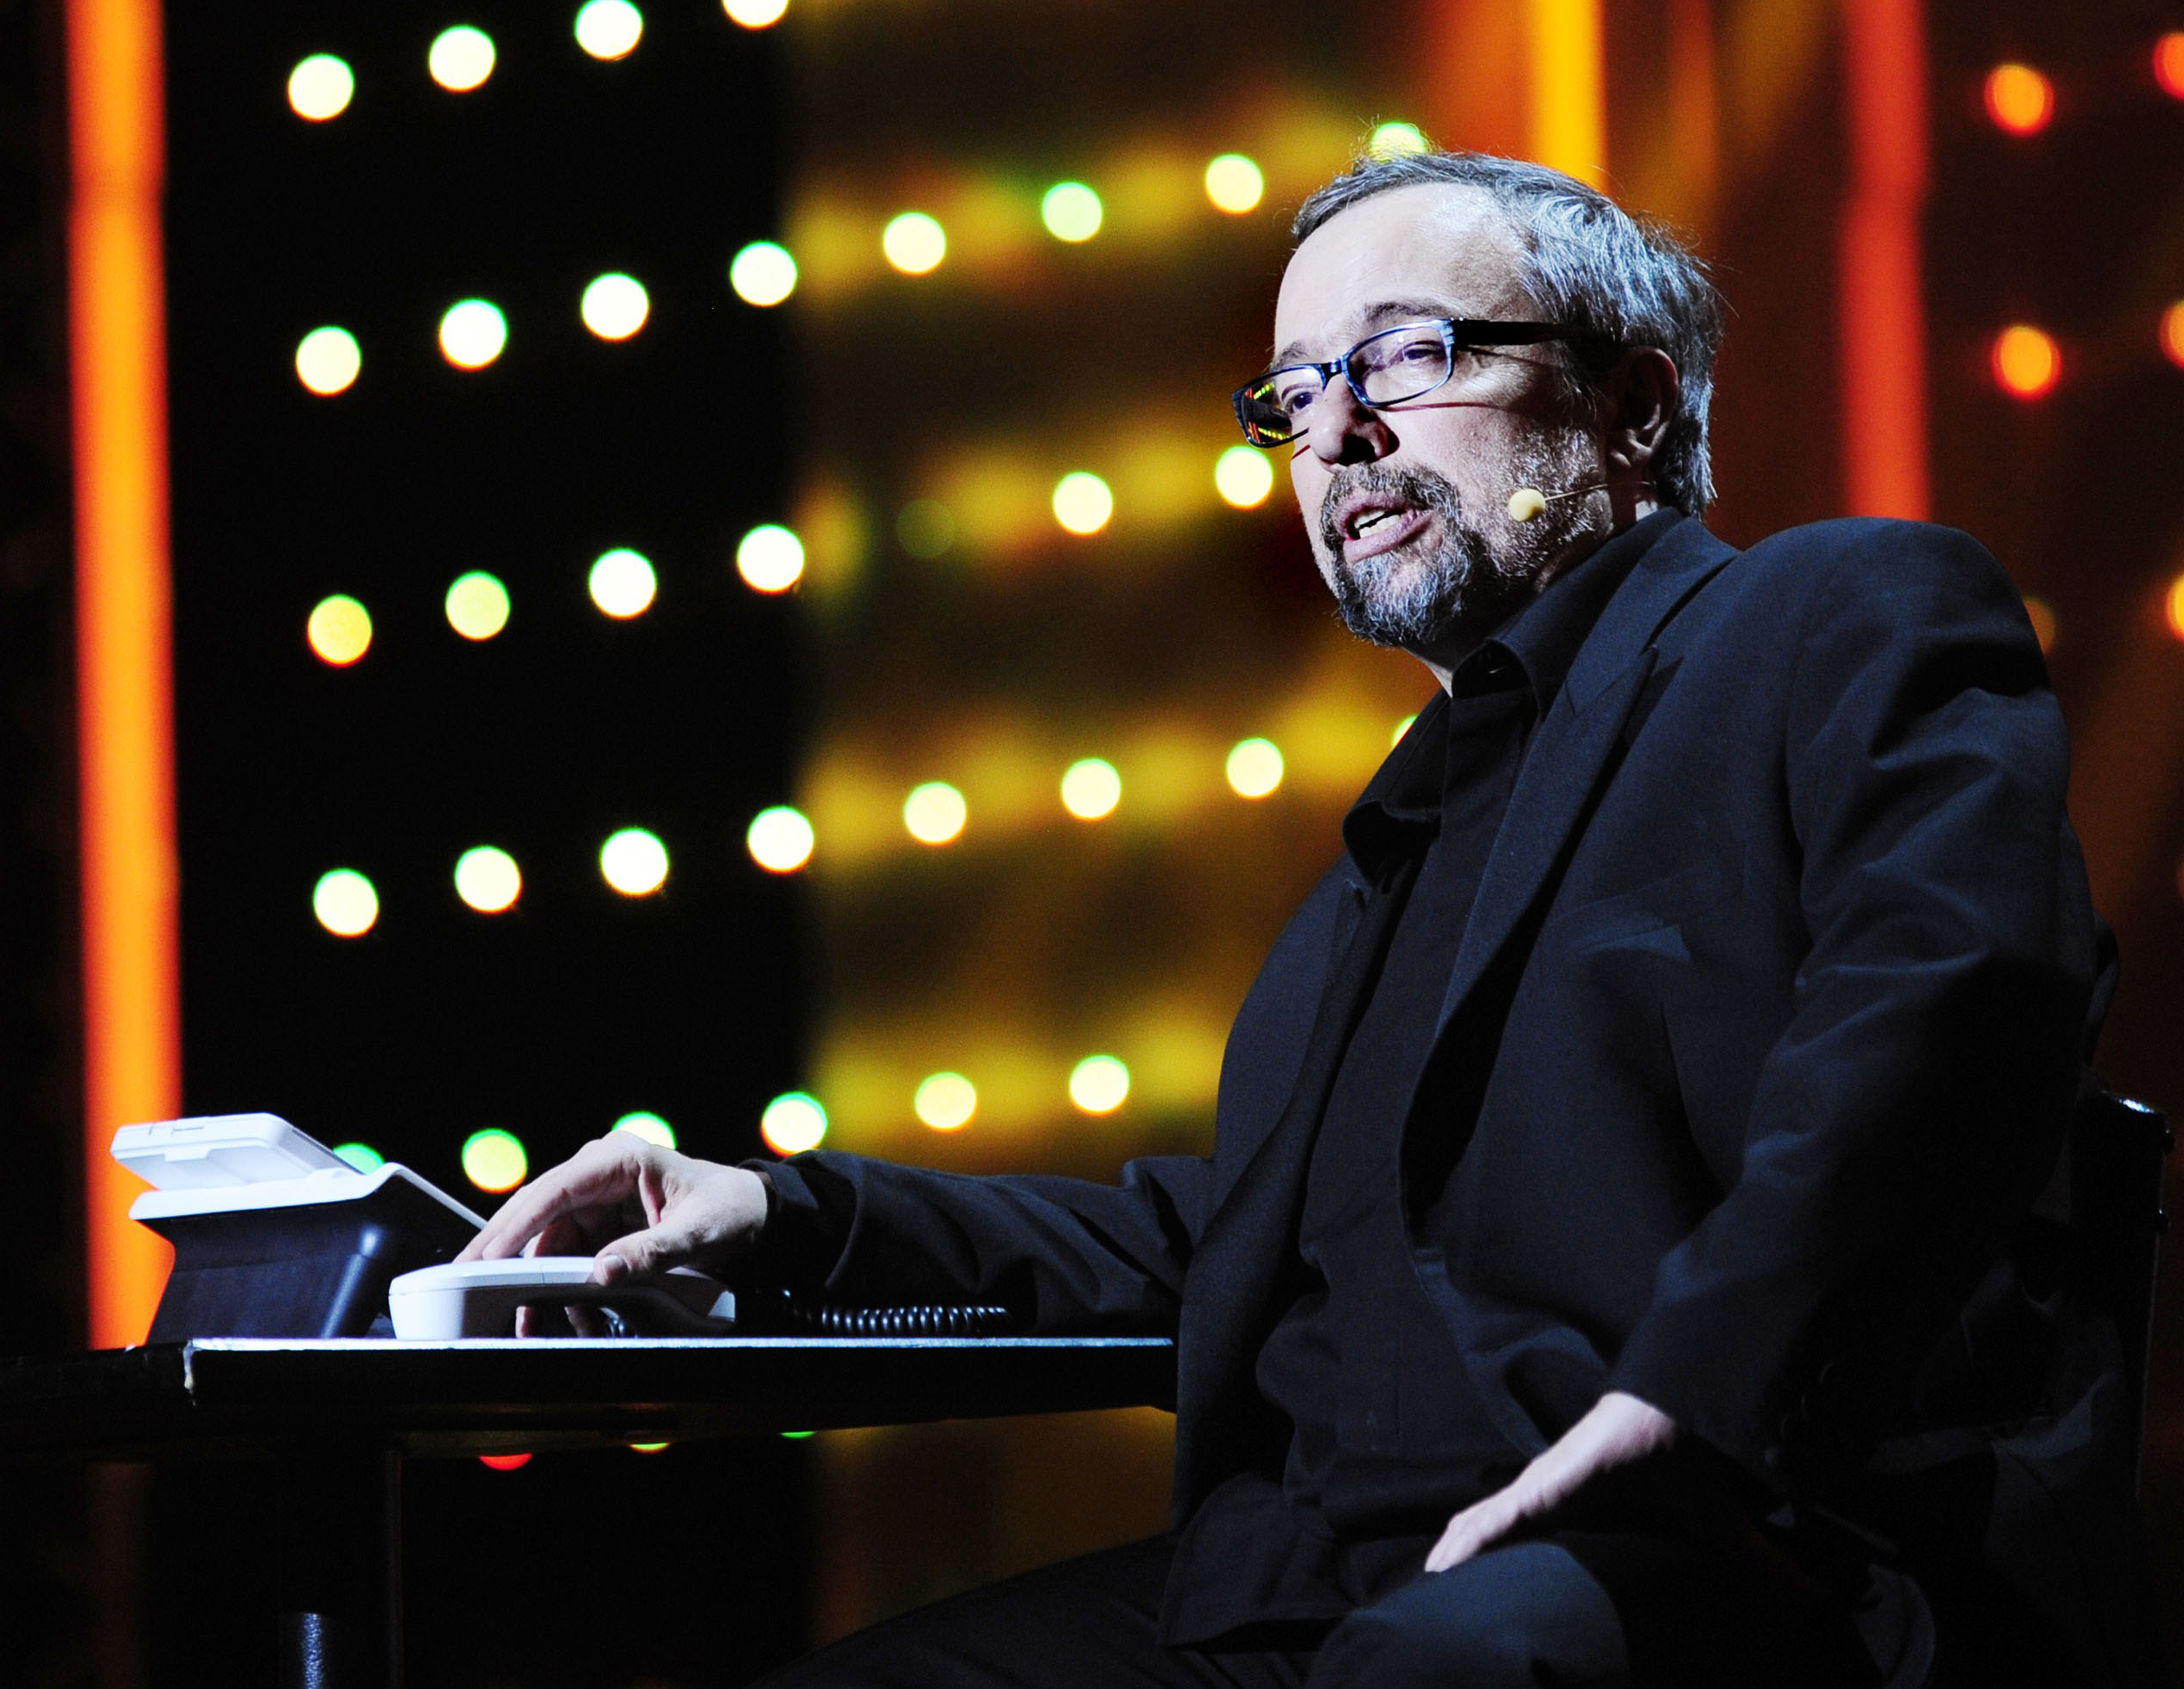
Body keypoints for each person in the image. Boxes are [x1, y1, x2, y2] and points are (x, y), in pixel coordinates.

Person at [463, 153, 2152, 1687]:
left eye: (1405, 357)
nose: (1335, 434)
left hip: (1732, 1554)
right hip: (1308, 1588)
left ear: (1632, 405)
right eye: (1293, 393)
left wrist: (1689, 1403)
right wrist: (789, 1211)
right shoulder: (1388, 850)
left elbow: (1954, 1004)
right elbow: (1220, 1252)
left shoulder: (1829, 614)